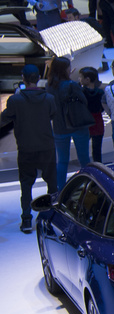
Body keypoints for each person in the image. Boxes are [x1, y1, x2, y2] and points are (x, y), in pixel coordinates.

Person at [4, 64, 57, 234]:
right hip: (46, 145)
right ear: (38, 77)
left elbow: (5, 118)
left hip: (26, 147)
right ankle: (52, 218)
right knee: (52, 183)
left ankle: (26, 219)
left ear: (23, 78)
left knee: (26, 184)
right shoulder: (49, 98)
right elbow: (52, 115)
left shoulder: (15, 100)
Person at [47, 57, 92, 190]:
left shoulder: (49, 86)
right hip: (77, 125)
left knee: (62, 161)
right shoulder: (72, 85)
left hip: (59, 127)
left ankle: (60, 189)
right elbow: (84, 101)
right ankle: (88, 186)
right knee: (84, 159)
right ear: (65, 69)